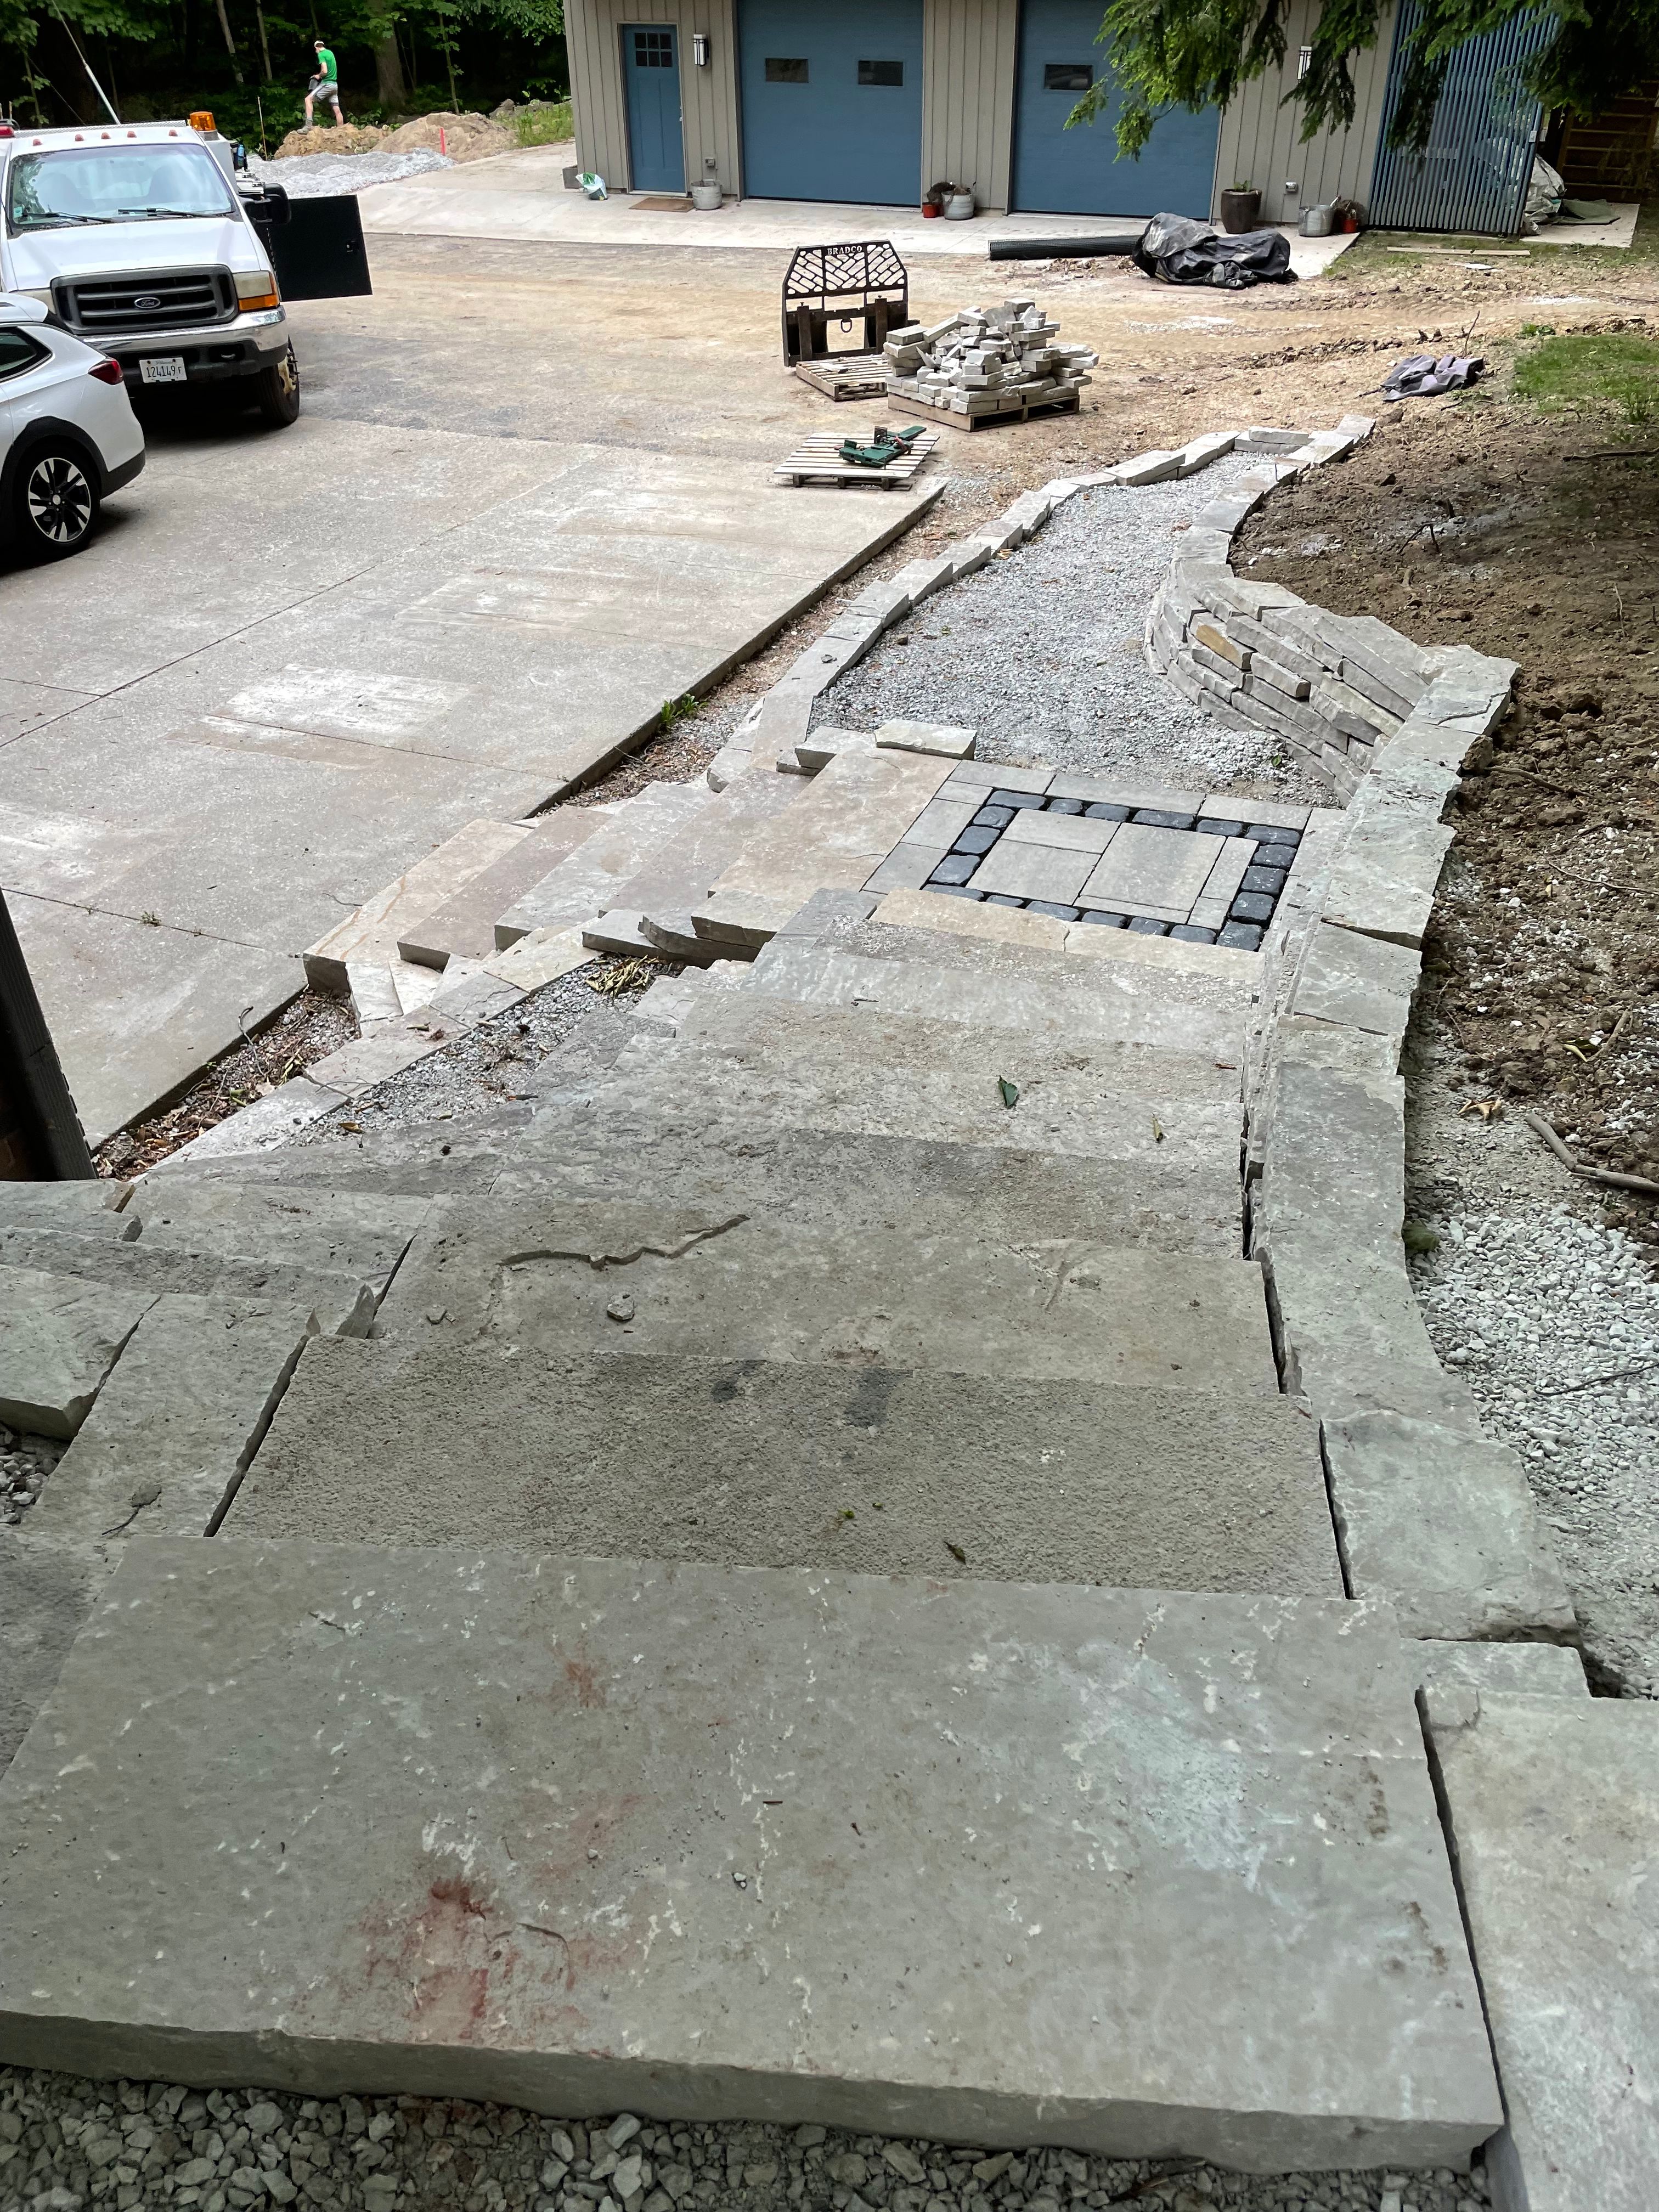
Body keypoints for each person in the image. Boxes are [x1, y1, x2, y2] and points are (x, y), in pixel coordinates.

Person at [304, 37, 343, 127]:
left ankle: (308, 126)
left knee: (308, 100)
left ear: (317, 48)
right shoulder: (330, 53)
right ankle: (341, 129)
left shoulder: (321, 54)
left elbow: (325, 71)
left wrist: (319, 76)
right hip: (334, 85)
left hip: (327, 84)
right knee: (337, 109)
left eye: (315, 50)